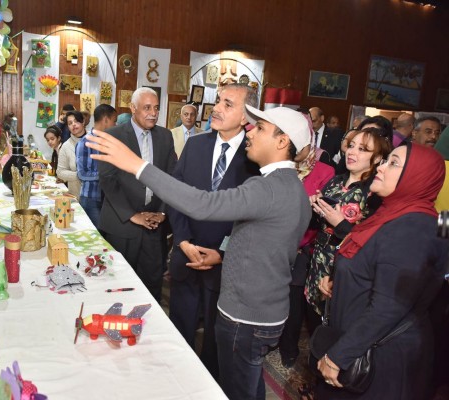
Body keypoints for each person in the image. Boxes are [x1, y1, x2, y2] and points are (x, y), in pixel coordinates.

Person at [87, 105, 312, 400]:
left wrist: (137, 166)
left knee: (237, 390)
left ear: (282, 141)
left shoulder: (268, 188)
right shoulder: (290, 186)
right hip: (263, 311)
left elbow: (203, 204)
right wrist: (223, 253)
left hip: (246, 315)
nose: (251, 132)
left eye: (260, 128)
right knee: (248, 383)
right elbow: (262, 241)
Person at [316, 142, 448, 400]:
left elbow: (389, 306)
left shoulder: (414, 228)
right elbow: (371, 262)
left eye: (393, 163)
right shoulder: (390, 214)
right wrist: (342, 281)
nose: (381, 167)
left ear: (416, 176)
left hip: (380, 357)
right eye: (386, 160)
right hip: (360, 339)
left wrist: (338, 356)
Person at [168, 84, 260, 379]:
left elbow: (253, 217)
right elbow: (175, 196)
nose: (217, 108)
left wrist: (222, 253)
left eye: (228, 104)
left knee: (216, 343)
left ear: (246, 116)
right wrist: (183, 240)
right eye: (218, 101)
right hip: (186, 255)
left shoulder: (255, 156)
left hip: (225, 266)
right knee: (178, 332)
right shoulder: (195, 145)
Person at [98, 87, 176, 302]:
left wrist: (162, 213)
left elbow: (171, 177)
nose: (153, 113)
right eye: (147, 108)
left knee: (152, 286)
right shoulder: (113, 136)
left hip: (154, 226)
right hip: (122, 224)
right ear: (133, 108)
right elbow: (107, 180)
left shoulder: (165, 136)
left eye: (156, 108)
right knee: (118, 285)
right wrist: (132, 215)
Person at [305, 128, 391, 318]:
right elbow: (317, 226)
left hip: (344, 273)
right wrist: (314, 208)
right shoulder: (335, 181)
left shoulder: (375, 193)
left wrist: (340, 224)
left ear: (378, 158)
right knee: (314, 322)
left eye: (362, 149)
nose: (352, 152)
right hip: (318, 265)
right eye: (351, 146)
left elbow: (373, 244)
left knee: (337, 324)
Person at [279, 113, 335, 368]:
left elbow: (320, 215)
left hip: (304, 248)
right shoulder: (278, 166)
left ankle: (288, 349)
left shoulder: (325, 171)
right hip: (275, 244)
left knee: (294, 302)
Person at [75, 104, 117, 227]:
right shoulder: (85, 143)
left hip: (108, 199)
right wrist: (105, 174)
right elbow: (82, 174)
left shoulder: (110, 142)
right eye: (114, 121)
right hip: (91, 199)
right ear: (106, 120)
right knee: (95, 235)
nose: (115, 125)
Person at [57, 111, 86, 198]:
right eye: (70, 123)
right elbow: (60, 172)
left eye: (76, 121)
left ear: (83, 122)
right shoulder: (66, 146)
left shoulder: (94, 140)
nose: (73, 124)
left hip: (96, 196)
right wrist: (79, 175)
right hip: (76, 196)